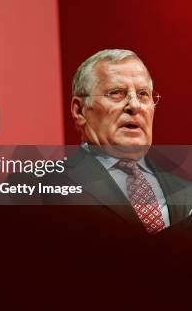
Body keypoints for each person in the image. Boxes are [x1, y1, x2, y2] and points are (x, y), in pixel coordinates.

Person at [65, 49, 192, 234]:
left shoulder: (186, 191)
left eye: (143, 94)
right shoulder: (40, 186)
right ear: (80, 111)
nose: (134, 106)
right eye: (116, 93)